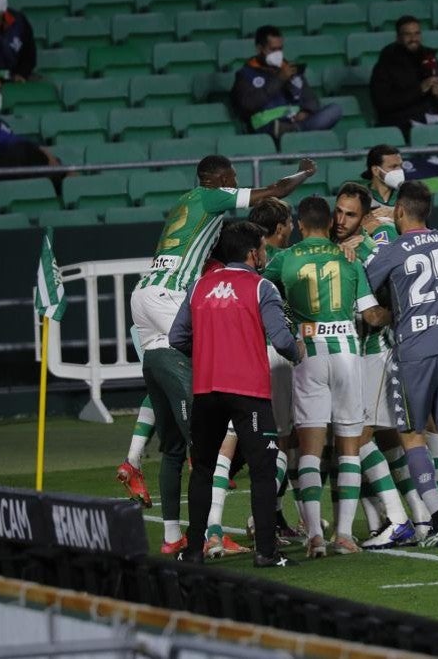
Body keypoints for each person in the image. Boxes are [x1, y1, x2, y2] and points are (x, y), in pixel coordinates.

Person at [130, 155, 316, 555]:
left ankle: (139, 466)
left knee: (161, 374)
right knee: (221, 380)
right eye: (231, 177)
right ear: (215, 178)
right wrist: (304, 173)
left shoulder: (185, 202)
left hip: (143, 293)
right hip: (170, 293)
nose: (235, 183)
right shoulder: (212, 197)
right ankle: (215, 524)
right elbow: (275, 191)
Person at [263, 196, 406, 557]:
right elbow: (372, 317)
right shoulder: (349, 259)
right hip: (346, 349)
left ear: (297, 223)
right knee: (348, 445)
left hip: (307, 351)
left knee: (309, 447)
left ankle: (314, 536)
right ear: (329, 224)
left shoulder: (284, 260)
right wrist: (397, 313)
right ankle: (344, 534)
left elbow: (258, 288)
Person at [169, 221, 304, 568]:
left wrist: (210, 351)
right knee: (262, 470)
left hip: (207, 389)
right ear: (251, 253)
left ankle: (195, 550)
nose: (263, 253)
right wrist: (298, 351)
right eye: (261, 247)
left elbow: (176, 338)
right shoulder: (261, 288)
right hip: (249, 391)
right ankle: (265, 552)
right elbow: (283, 341)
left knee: (202, 469)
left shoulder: (199, 286)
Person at [365, 181, 438, 547]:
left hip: (414, 354)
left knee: (413, 438)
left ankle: (437, 523)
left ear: (399, 211)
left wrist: (373, 242)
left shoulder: (394, 250)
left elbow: (369, 284)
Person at [331, 183, 433, 542]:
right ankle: (422, 521)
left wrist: (394, 317)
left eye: (351, 214)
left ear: (366, 217)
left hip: (375, 353)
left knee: (355, 438)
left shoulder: (373, 247)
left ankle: (398, 519)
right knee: (388, 440)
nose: (342, 220)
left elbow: (387, 302)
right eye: (339, 211)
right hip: (356, 355)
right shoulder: (339, 247)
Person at [198, 198, 296, 558]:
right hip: (259, 367)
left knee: (223, 449)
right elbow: (283, 336)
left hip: (212, 379)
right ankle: (264, 529)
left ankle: (212, 530)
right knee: (278, 446)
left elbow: (182, 334)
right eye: (289, 221)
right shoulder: (275, 269)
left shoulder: (208, 279)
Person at [232, 25, 342, 141]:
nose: (278, 54)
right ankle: (295, 133)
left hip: (296, 122)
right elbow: (247, 105)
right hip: (268, 128)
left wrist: (306, 111)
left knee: (335, 110)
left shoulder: (290, 69)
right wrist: (279, 79)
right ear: (260, 49)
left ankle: (294, 131)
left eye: (280, 49)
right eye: (273, 49)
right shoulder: (245, 74)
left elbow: (310, 98)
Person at [370, 16, 438, 135]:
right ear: (398, 38)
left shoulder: (430, 60)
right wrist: (419, 90)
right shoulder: (385, 64)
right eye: (408, 34)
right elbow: (383, 103)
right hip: (401, 125)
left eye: (417, 33)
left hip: (436, 120)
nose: (413, 38)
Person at [360, 144, 407, 213]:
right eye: (393, 167)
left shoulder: (408, 197)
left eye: (400, 166)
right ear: (375, 170)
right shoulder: (360, 197)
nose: (399, 170)